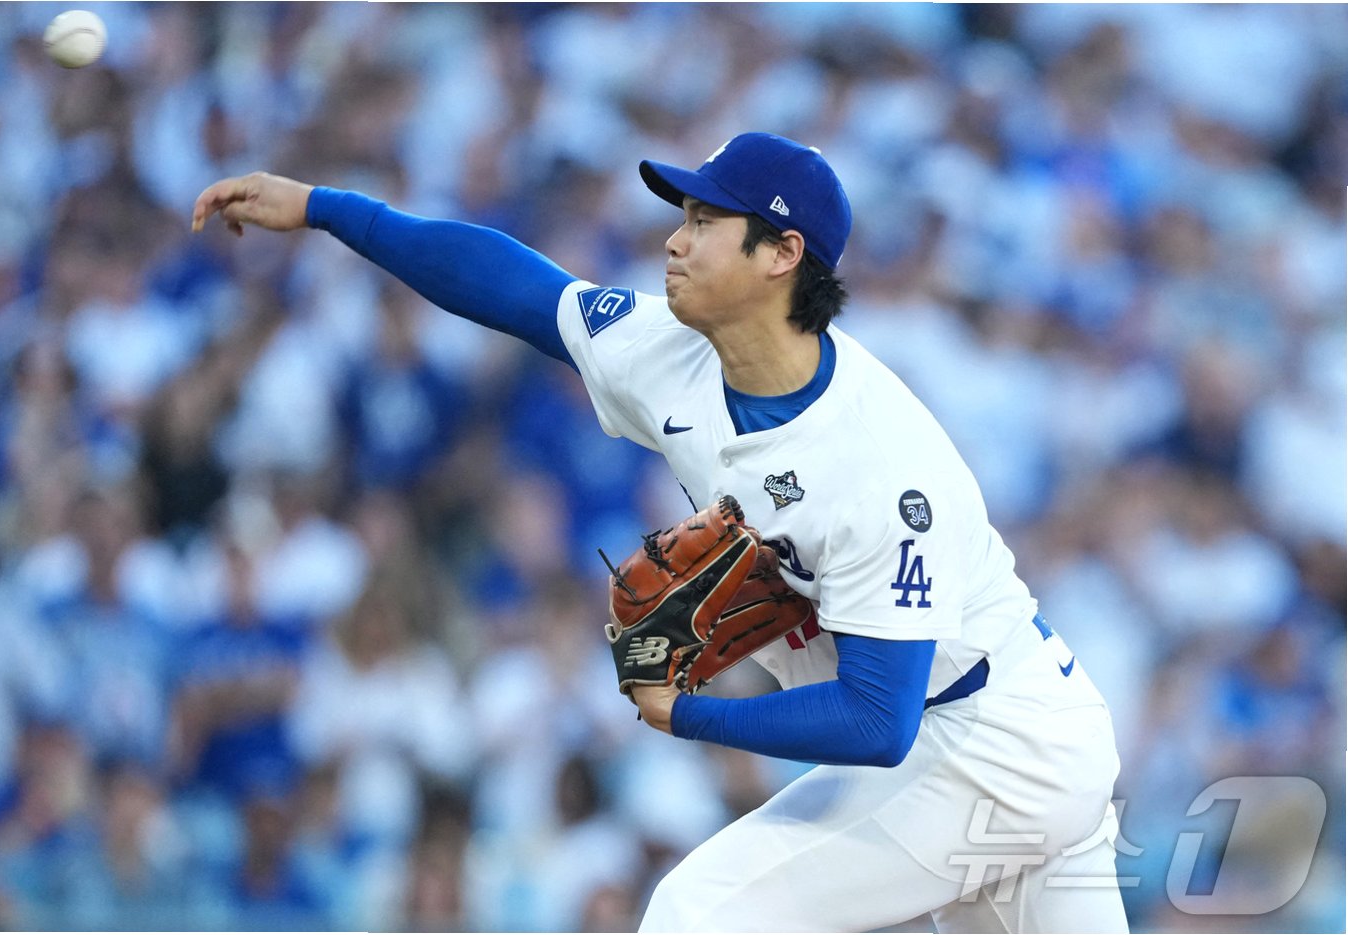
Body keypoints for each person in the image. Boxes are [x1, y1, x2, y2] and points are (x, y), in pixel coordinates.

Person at [193, 132, 1129, 933]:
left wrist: (689, 714)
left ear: (781, 254)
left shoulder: (877, 464)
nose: (675, 240)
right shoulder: (672, 354)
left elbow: (878, 722)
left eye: (704, 221)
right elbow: (513, 287)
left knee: (698, 912)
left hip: (988, 739)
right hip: (1007, 738)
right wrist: (326, 208)